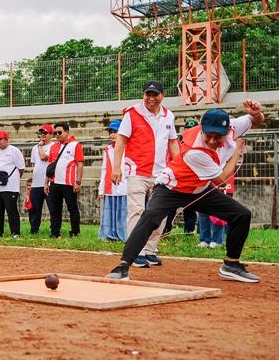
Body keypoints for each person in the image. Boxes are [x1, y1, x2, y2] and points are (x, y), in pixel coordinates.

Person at [107, 100, 265, 283]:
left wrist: (256, 113)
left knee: (241, 214)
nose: (212, 141)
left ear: (228, 130)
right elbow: (220, 180)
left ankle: (231, 264)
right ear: (202, 129)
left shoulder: (233, 126)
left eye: (218, 137)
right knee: (150, 217)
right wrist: (237, 150)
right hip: (172, 187)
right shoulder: (194, 149)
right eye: (209, 136)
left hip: (199, 189)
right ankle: (123, 266)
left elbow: (256, 121)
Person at [112, 80, 180, 268]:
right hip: (137, 170)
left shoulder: (169, 116)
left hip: (161, 172)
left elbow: (173, 143)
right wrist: (116, 168)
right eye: (147, 94)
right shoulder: (132, 114)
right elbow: (120, 141)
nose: (150, 98)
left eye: (154, 94)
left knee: (160, 213)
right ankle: (137, 251)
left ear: (162, 95)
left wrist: (178, 167)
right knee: (136, 211)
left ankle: (150, 249)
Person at [46, 122, 84, 238]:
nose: (57, 135)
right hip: (54, 183)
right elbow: (49, 167)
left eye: (59, 132)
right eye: (55, 133)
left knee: (72, 209)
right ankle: (55, 233)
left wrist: (78, 182)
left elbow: (80, 165)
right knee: (55, 210)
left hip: (69, 183)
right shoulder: (53, 146)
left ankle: (75, 233)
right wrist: (46, 183)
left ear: (67, 132)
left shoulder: (75, 145)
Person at [0, 131, 25, 238]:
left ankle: (15, 232)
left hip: (10, 186)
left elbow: (21, 168)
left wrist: (14, 179)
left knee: (11, 210)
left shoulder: (14, 151)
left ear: (6, 140)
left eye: (0, 139)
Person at [98, 120, 128, 241]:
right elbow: (104, 169)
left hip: (125, 183)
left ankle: (125, 235)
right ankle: (109, 234)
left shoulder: (128, 147)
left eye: (115, 132)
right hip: (111, 184)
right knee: (110, 211)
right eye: (111, 132)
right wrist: (101, 189)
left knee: (123, 212)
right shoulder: (108, 149)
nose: (112, 135)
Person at [29, 124, 56, 235]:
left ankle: (54, 230)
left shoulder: (53, 146)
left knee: (52, 208)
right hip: (36, 183)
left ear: (51, 134)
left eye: (45, 133)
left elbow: (44, 157)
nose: (42, 135)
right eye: (41, 133)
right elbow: (35, 163)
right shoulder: (34, 148)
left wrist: (40, 146)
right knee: (34, 209)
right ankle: (34, 230)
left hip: (48, 182)